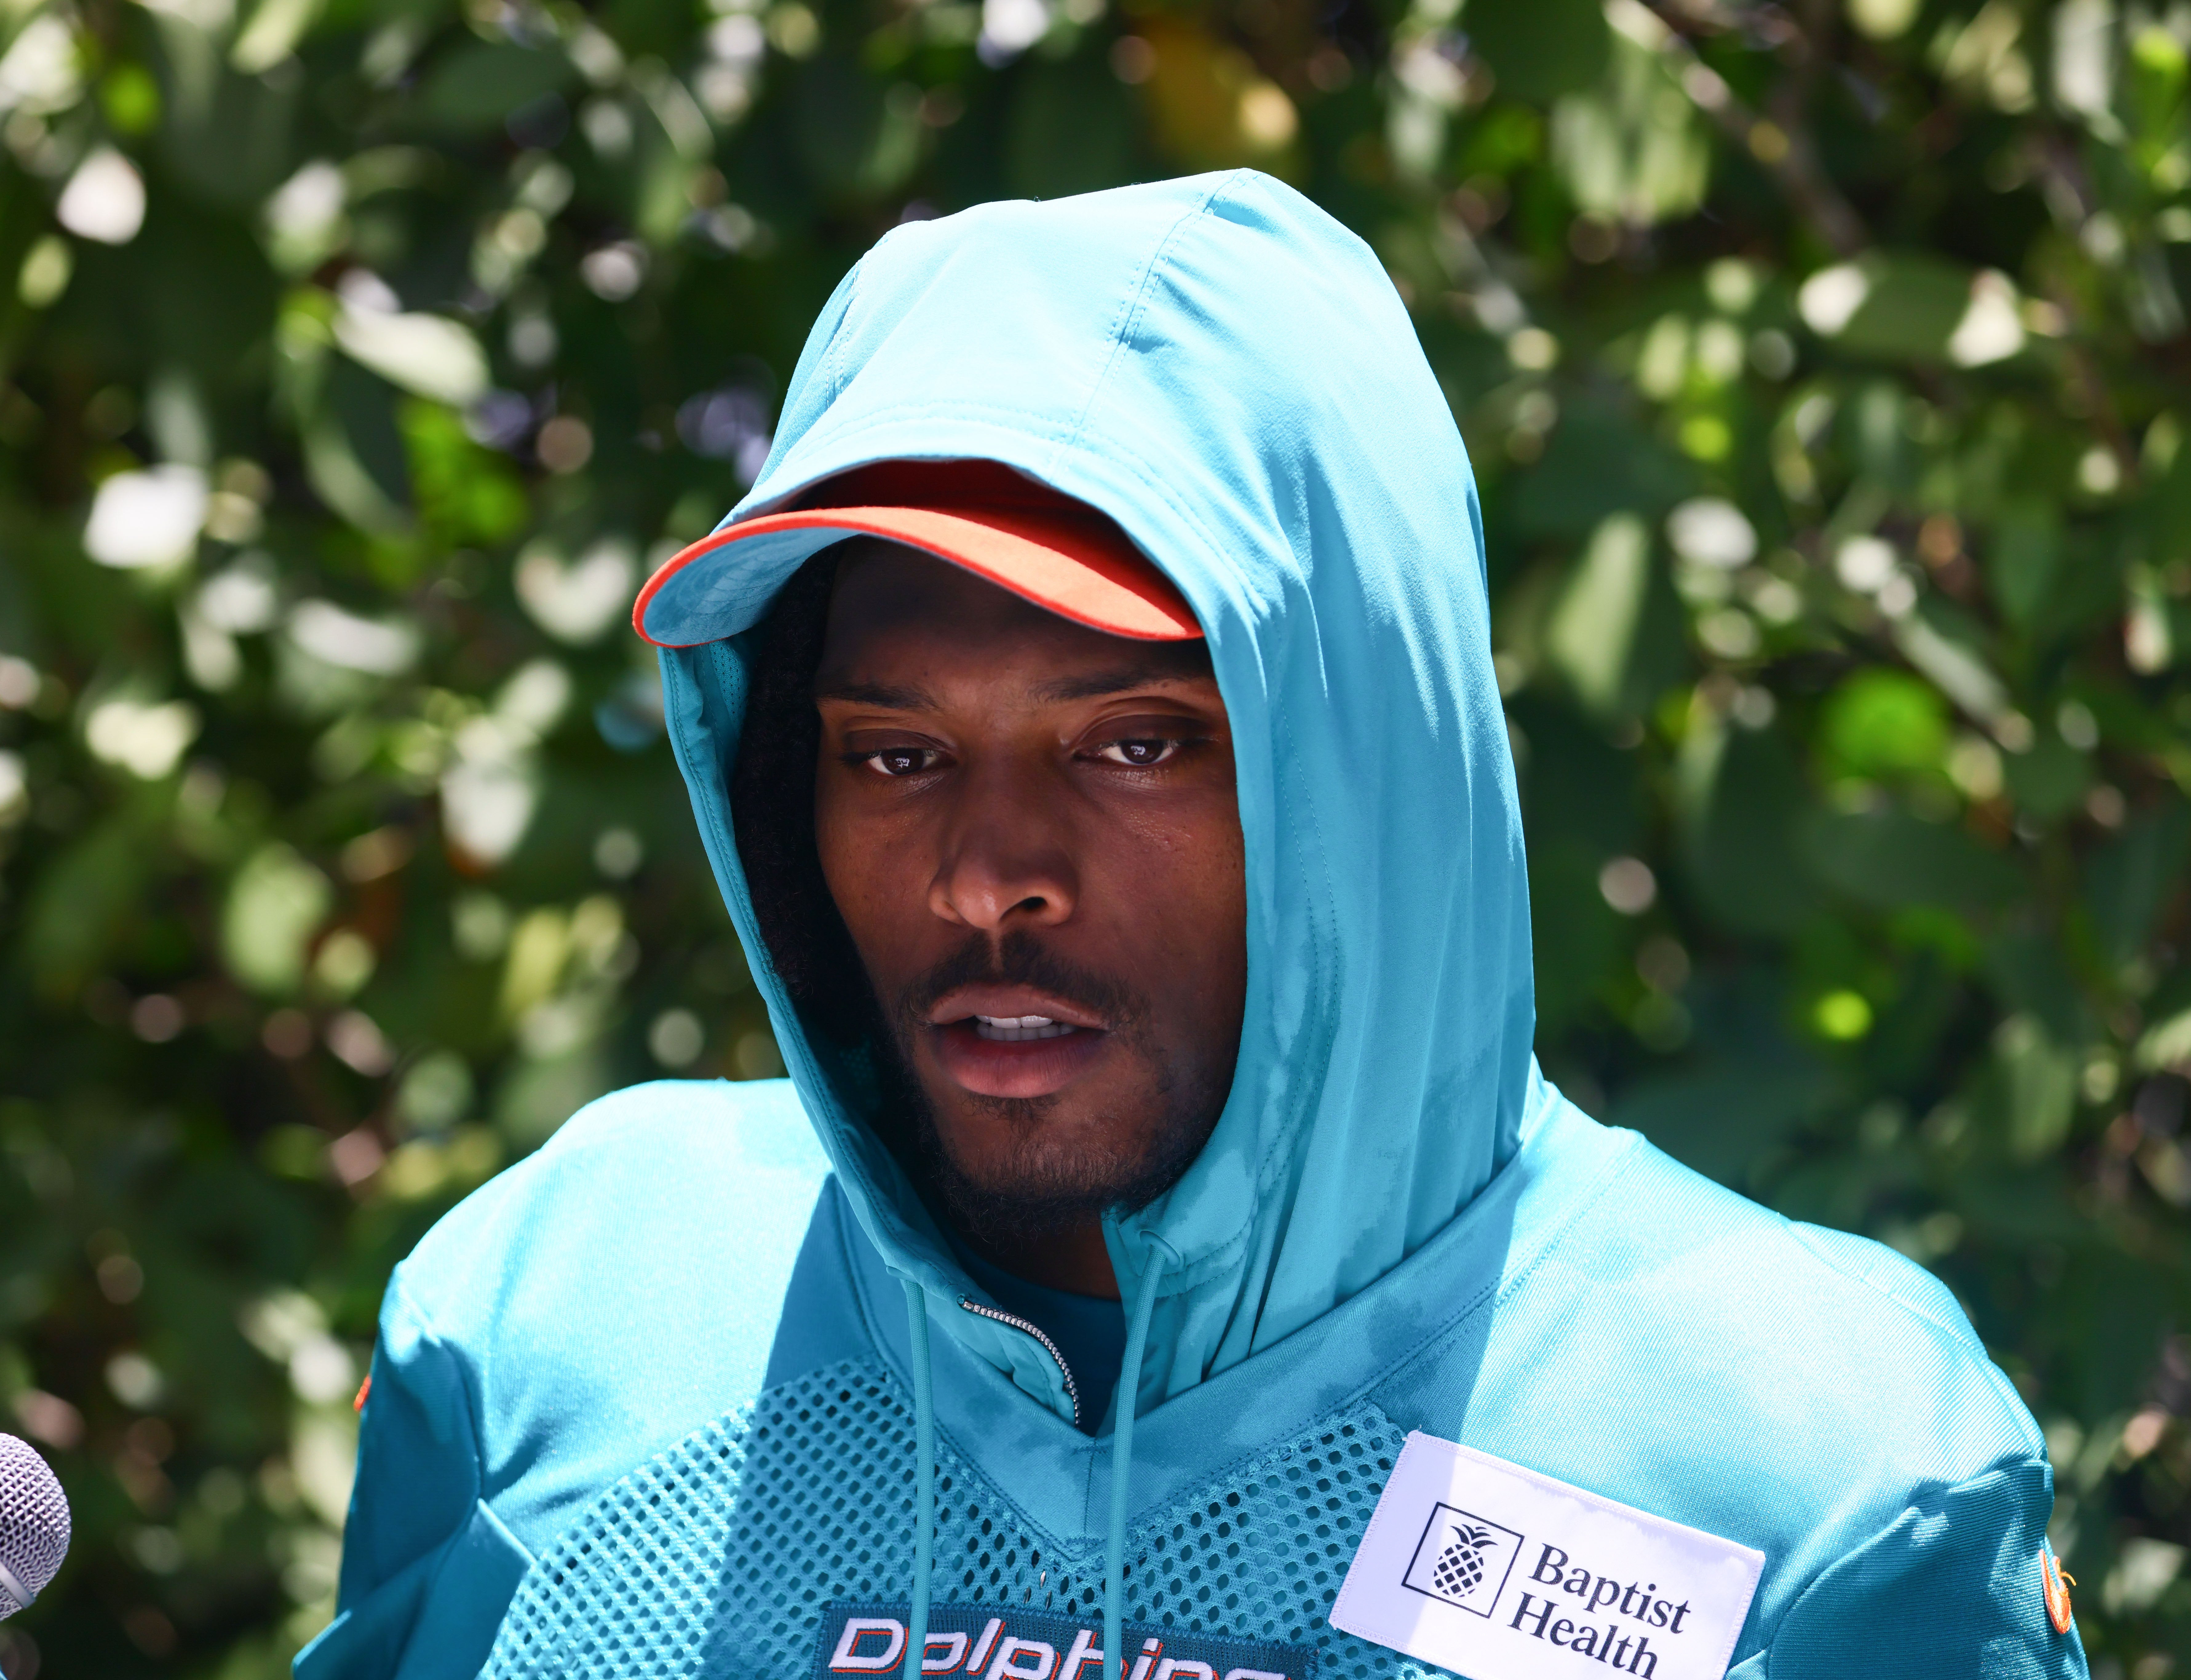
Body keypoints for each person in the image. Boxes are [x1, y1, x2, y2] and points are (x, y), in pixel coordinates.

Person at [296, 173, 2086, 1680]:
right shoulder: (563, 1314)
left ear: (1367, 769)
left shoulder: (1808, 1468)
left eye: (1137, 742)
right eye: (898, 754)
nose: (987, 872)